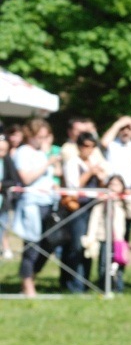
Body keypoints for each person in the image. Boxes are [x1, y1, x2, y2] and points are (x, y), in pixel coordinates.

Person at [12, 119, 60, 297]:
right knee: (32, 246)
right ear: (31, 135)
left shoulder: (41, 153)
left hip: (47, 202)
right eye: (40, 137)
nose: (43, 140)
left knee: (49, 244)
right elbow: (26, 178)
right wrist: (48, 163)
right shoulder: (24, 152)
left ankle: (30, 276)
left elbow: (47, 177)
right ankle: (27, 284)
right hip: (32, 203)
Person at [62, 131, 109, 292]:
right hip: (77, 210)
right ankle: (73, 284)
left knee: (89, 246)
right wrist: (89, 172)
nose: (89, 150)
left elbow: (104, 184)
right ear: (79, 146)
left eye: (92, 146)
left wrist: (100, 176)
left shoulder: (95, 162)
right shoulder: (72, 163)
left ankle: (85, 283)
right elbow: (73, 187)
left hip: (93, 210)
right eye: (86, 146)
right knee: (76, 246)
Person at [81, 175, 129, 292]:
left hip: (118, 239)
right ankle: (103, 287)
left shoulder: (122, 202)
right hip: (103, 237)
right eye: (111, 184)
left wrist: (127, 199)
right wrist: (91, 236)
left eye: (117, 185)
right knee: (103, 264)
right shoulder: (101, 202)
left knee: (119, 263)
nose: (113, 187)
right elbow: (94, 219)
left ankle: (118, 288)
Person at [0, 134, 21, 259]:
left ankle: (5, 247)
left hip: (3, 199)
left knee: (3, 224)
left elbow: (13, 180)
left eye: (4, 150)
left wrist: (2, 185)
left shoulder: (7, 160)